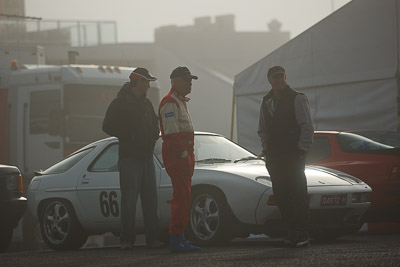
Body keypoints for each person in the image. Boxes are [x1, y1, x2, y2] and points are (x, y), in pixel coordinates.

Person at [102, 67, 164, 250]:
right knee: (129, 201)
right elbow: (107, 125)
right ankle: (126, 241)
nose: (149, 85)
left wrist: (153, 135)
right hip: (129, 158)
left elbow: (154, 124)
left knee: (150, 200)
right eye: (146, 82)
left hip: (146, 157)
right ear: (138, 82)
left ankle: (153, 240)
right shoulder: (119, 103)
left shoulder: (147, 103)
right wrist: (129, 135)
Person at [258, 66, 314, 248]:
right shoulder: (266, 101)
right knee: (282, 195)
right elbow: (263, 129)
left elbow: (307, 126)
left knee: (298, 193)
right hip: (275, 157)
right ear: (269, 80)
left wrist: (300, 151)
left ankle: (302, 232)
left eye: (281, 77)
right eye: (275, 77)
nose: (279, 80)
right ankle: (291, 232)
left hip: (293, 155)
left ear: (285, 77)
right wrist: (266, 149)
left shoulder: (297, 98)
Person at [158, 66, 200, 252]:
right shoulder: (170, 102)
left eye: (190, 80)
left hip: (185, 155)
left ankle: (180, 236)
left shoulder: (180, 102)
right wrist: (183, 154)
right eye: (186, 79)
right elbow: (170, 133)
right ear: (174, 81)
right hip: (178, 157)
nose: (189, 83)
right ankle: (176, 238)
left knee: (184, 196)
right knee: (181, 197)